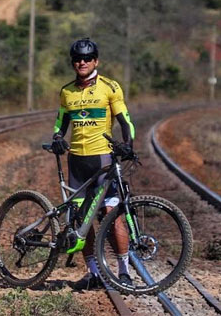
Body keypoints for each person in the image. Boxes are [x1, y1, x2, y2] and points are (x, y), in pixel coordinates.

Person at [51, 37, 135, 291]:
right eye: (77, 59)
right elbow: (60, 124)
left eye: (87, 58)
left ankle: (123, 271)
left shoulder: (110, 87)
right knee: (79, 219)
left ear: (95, 61)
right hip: (77, 161)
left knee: (113, 216)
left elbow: (125, 121)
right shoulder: (67, 91)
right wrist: (56, 138)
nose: (82, 62)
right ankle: (93, 273)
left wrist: (128, 144)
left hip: (103, 159)